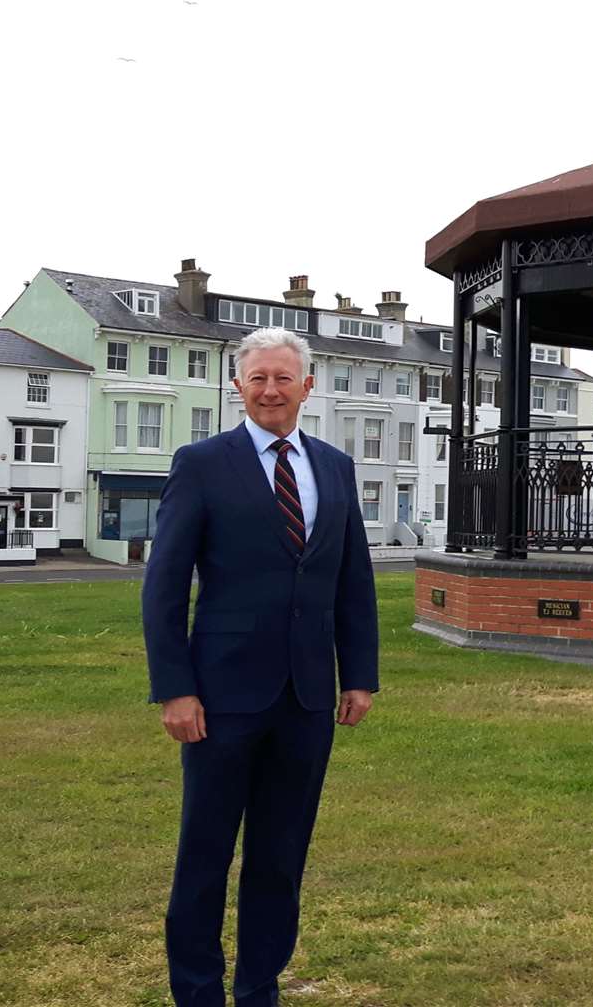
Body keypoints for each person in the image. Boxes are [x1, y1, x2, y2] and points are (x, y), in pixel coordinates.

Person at [142, 326, 379, 1006]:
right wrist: (175, 690)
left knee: (280, 858)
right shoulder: (201, 463)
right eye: (258, 378)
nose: (271, 390)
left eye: (284, 378)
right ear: (237, 387)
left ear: (308, 387)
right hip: (220, 699)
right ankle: (197, 992)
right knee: (205, 858)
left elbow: (351, 579)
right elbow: (165, 585)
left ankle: (258, 989)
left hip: (306, 700)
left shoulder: (334, 467)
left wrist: (358, 673)